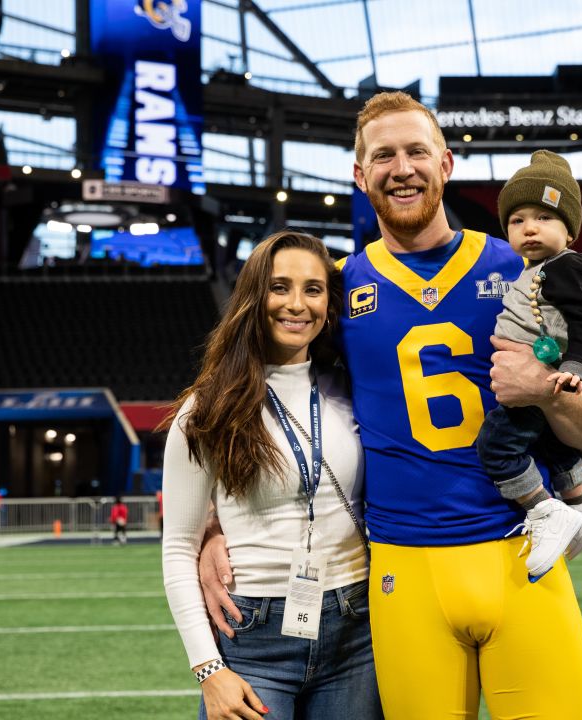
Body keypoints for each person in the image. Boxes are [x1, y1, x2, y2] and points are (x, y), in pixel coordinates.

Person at [200, 92, 582, 719]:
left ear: (445, 163)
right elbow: (245, 393)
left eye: (417, 151)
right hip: (402, 569)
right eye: (383, 155)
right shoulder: (339, 289)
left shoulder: (522, 264)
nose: (403, 168)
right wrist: (207, 524)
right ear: (361, 175)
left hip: (518, 549)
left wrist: (538, 388)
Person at [161, 231, 382, 720]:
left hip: (357, 631)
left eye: (313, 289)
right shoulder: (206, 409)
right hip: (253, 634)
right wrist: (208, 670)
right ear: (252, 296)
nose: (296, 305)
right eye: (279, 287)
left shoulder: (354, 389)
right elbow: (178, 547)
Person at [475, 149, 582, 581]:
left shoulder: (564, 267)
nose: (529, 228)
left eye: (544, 218)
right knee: (553, 446)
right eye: (517, 221)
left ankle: (542, 508)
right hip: (553, 369)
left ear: (570, 231)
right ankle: (581, 506)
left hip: (545, 376)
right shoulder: (544, 268)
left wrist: (580, 365)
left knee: (496, 447)